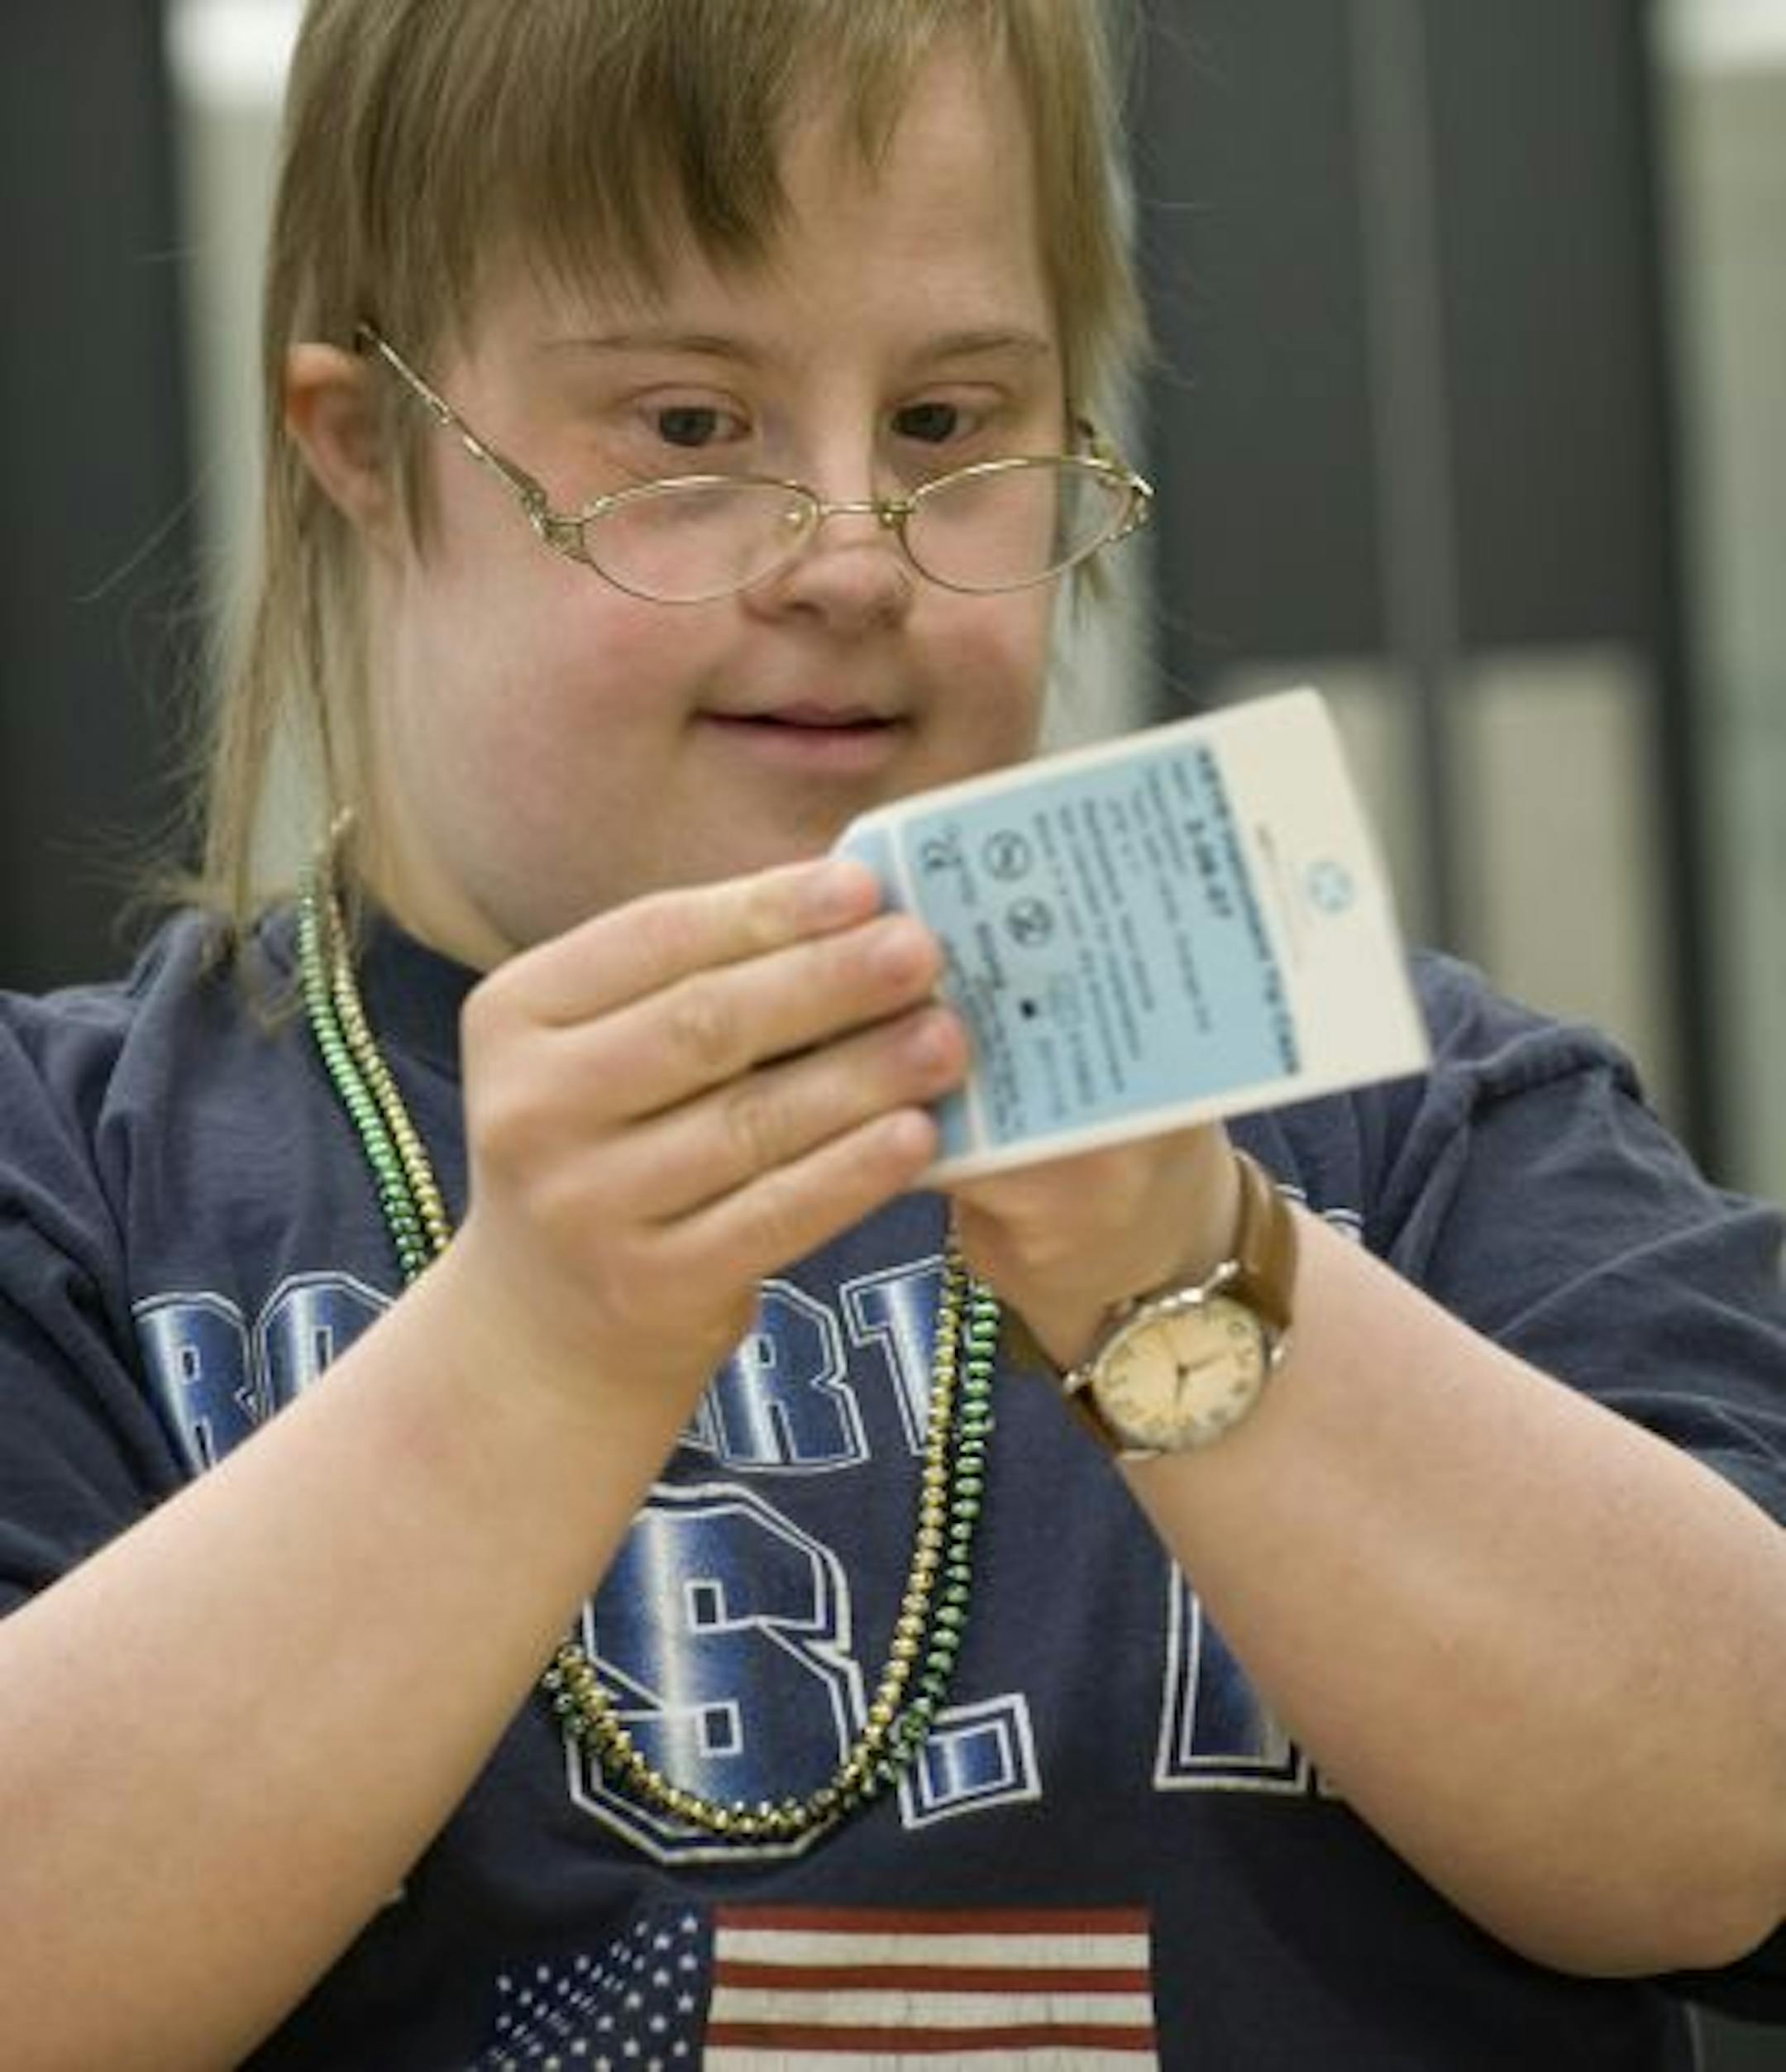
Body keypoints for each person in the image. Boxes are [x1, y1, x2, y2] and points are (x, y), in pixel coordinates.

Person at [1, 2, 1784, 2065]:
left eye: (948, 424)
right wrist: (538, 1349)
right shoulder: (80, 1178)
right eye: (686, 428)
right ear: (364, 450)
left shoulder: (1414, 1120)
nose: (852, 555)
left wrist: (1184, 1270)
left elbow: (1734, 1823)